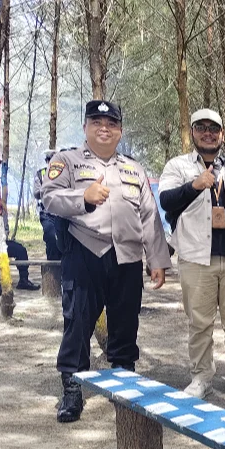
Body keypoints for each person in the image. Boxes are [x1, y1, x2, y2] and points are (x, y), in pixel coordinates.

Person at [42, 100, 171, 423]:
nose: (104, 128)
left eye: (111, 123)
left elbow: (150, 216)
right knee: (78, 325)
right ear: (86, 127)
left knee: (126, 326)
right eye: (97, 122)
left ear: (119, 130)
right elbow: (50, 199)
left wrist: (157, 259)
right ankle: (72, 388)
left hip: (127, 257)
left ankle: (124, 384)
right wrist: (82, 198)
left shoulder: (132, 168)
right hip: (85, 252)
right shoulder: (67, 161)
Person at [158, 108, 225, 401]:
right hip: (196, 257)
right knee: (200, 322)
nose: (208, 133)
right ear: (193, 132)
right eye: (201, 127)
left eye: (214, 128)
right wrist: (195, 185)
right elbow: (166, 201)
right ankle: (201, 377)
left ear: (222, 134)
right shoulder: (179, 166)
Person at [35, 150, 63, 263]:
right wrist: (48, 188)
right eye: (50, 160)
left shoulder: (65, 172)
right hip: (47, 214)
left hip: (63, 213)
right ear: (47, 161)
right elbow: (36, 193)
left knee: (64, 240)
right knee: (51, 237)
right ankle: (52, 270)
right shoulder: (40, 174)